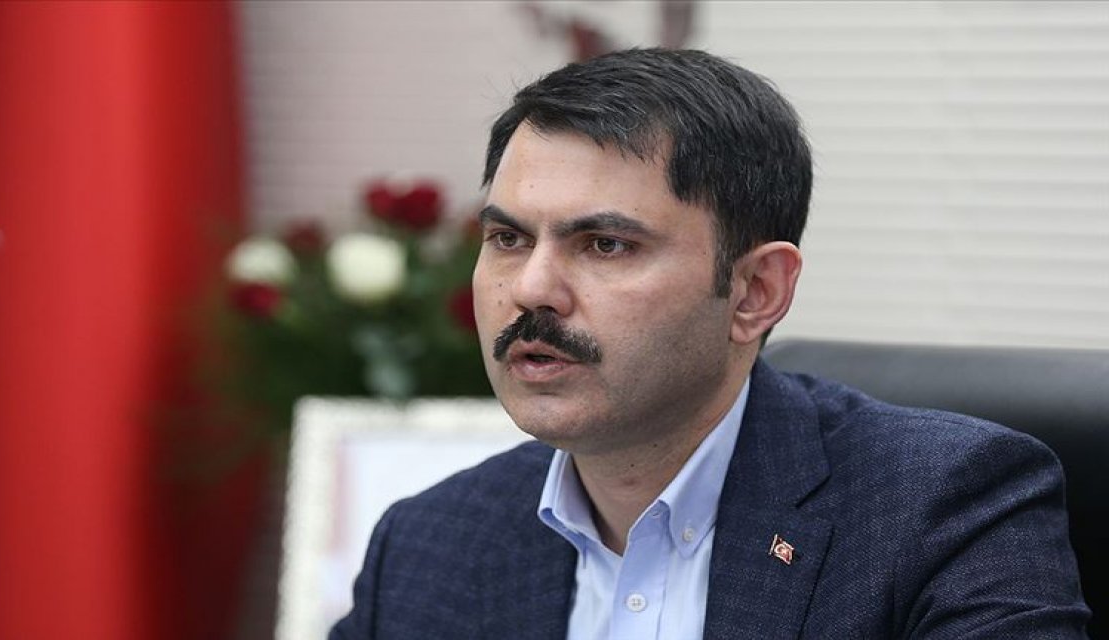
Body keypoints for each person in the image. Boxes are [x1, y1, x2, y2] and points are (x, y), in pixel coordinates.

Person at [330, 48, 1090, 639]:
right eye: (508, 238)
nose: (531, 289)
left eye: (604, 245)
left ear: (756, 292)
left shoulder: (942, 509)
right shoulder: (430, 543)